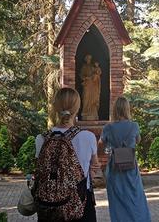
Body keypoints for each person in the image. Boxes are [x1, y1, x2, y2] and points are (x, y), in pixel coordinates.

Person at [35, 87, 99, 222]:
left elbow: (39, 170)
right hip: (80, 204)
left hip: (48, 205)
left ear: (55, 107)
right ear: (77, 108)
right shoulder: (88, 137)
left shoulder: (41, 139)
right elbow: (95, 168)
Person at [99, 97, 151, 222]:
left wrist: (108, 148)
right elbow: (138, 140)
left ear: (115, 110)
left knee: (116, 198)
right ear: (127, 109)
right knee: (135, 196)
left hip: (114, 167)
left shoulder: (108, 127)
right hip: (130, 166)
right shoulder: (134, 126)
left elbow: (100, 144)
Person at [80, 54, 101, 120]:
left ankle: (93, 113)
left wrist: (97, 70)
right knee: (86, 98)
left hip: (93, 85)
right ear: (86, 59)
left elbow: (98, 72)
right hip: (87, 84)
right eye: (87, 58)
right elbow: (81, 75)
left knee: (93, 98)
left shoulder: (93, 66)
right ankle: (85, 112)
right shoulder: (84, 66)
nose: (89, 60)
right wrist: (85, 78)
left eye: (90, 58)